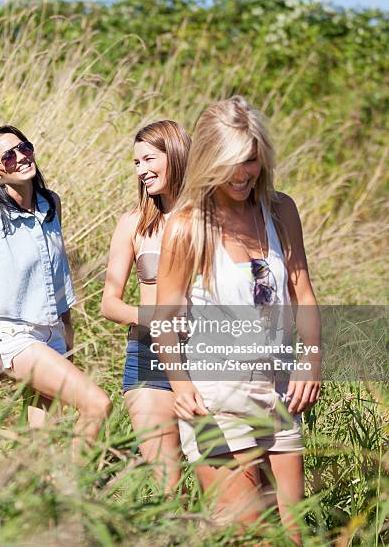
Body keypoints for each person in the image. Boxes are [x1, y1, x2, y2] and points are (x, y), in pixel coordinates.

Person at [153, 96, 321, 541]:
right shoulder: (187, 226)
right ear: (209, 158)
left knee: (292, 532)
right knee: (245, 530)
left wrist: (312, 359)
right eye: (230, 162)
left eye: (250, 160)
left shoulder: (280, 211)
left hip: (279, 388)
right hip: (216, 394)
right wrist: (180, 382)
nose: (243, 174)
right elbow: (164, 316)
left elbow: (300, 289)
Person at [0, 125, 112, 451]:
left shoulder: (51, 205)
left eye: (24, 147)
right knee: (97, 405)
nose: (21, 157)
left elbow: (57, 277)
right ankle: (74, 497)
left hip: (53, 334)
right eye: (9, 155)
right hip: (15, 338)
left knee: (43, 444)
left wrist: (68, 339)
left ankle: (39, 495)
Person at [101, 120, 191, 492]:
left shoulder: (209, 218)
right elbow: (110, 303)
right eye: (136, 163)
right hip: (148, 355)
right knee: (168, 486)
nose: (141, 171)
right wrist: (157, 320)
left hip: (209, 353)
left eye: (149, 159)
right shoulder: (133, 224)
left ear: (175, 154)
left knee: (227, 479)